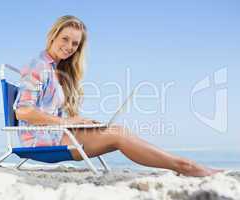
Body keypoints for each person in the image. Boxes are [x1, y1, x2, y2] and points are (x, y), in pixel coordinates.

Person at [14, 15, 222, 177]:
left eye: (75, 44)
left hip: (56, 134)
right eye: (65, 39)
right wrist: (67, 121)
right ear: (53, 35)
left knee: (117, 131)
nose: (69, 47)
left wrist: (79, 123)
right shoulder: (38, 66)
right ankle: (186, 166)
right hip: (41, 141)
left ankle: (184, 165)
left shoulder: (55, 70)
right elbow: (23, 111)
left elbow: (46, 111)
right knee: (118, 136)